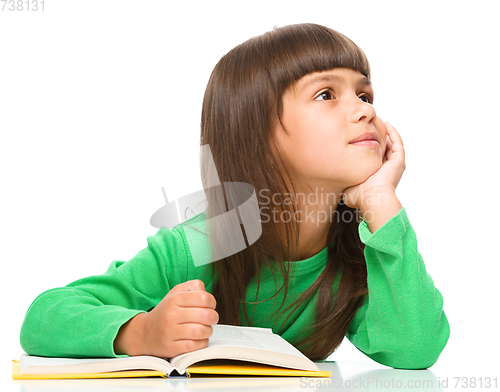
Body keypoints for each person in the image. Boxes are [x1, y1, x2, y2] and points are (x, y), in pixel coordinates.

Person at [19, 23, 450, 370]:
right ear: (257, 135)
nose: (366, 109)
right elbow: (45, 317)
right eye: (325, 94)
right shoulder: (202, 244)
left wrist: (381, 202)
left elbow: (416, 350)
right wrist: (142, 332)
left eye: (364, 93)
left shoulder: (362, 249)